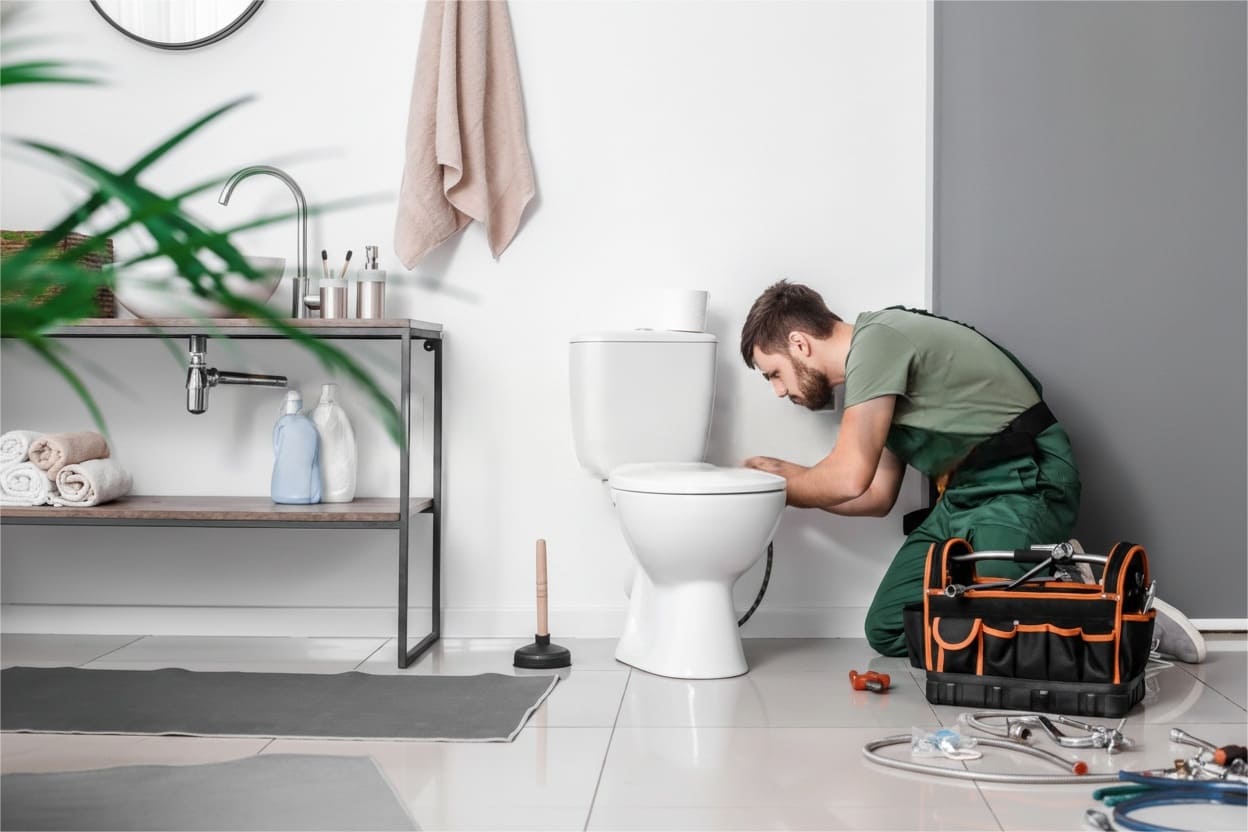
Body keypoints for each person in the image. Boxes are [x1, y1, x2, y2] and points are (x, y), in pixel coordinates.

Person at [739, 280, 1206, 663]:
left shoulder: (877, 342)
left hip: (1025, 485)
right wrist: (791, 486)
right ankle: (1040, 587)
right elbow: (874, 494)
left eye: (773, 373)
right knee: (888, 627)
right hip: (962, 501)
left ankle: (1106, 608)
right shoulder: (871, 378)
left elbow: (847, 477)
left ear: (799, 344)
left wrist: (781, 485)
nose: (779, 391)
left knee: (1000, 621)